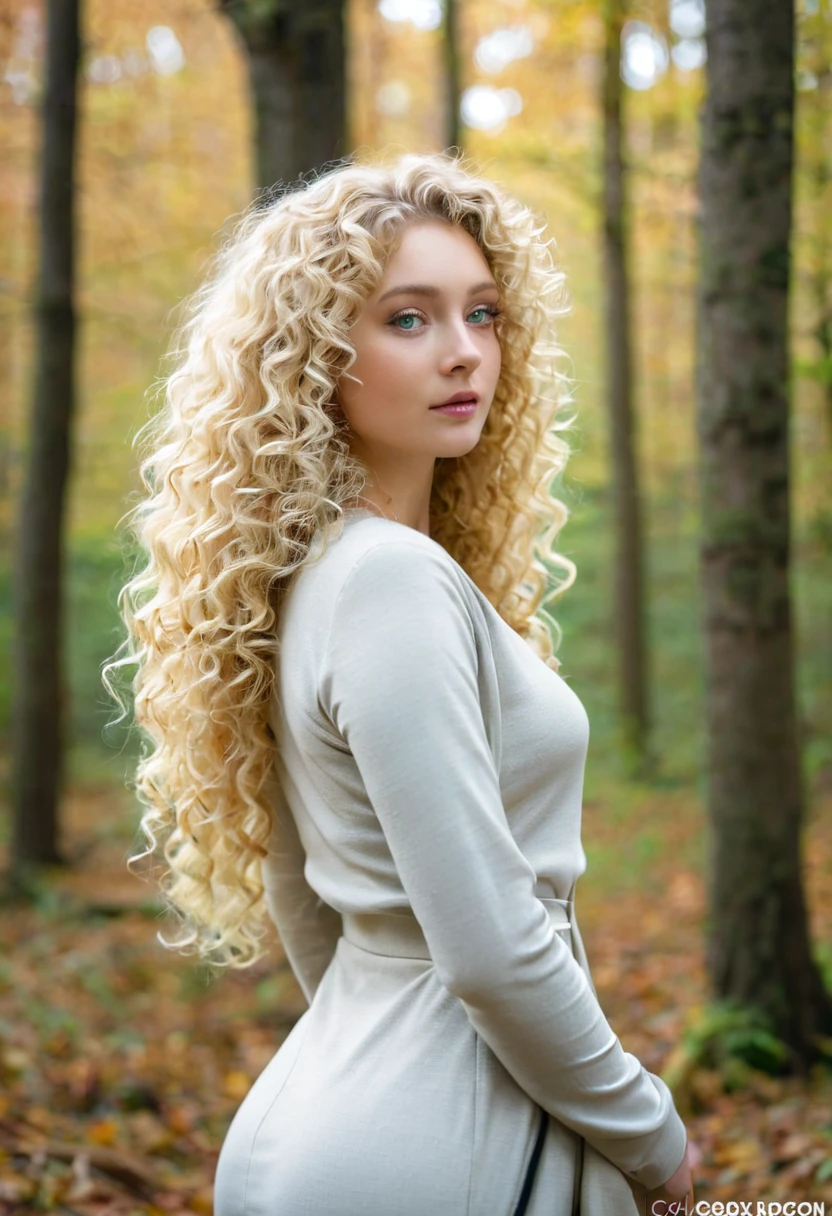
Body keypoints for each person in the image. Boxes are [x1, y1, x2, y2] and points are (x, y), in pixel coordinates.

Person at [104, 150, 697, 1215]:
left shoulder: (316, 574)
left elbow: (302, 894)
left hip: (339, 1118)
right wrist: (654, 1138)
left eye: (484, 313)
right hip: (436, 1154)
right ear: (315, 352)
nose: (464, 352)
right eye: (409, 319)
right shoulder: (388, 580)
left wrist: (376, 1058)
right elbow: (494, 951)